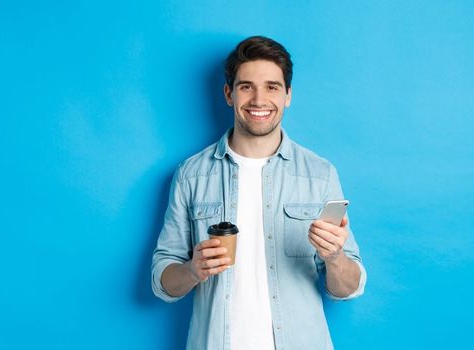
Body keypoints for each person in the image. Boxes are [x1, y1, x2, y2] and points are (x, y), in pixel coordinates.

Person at [151, 35, 366, 350]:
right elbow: (162, 282)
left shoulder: (319, 175)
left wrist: (334, 257)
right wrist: (192, 270)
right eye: (246, 86)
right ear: (229, 94)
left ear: (288, 95)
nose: (259, 100)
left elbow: (349, 287)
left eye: (272, 87)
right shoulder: (191, 175)